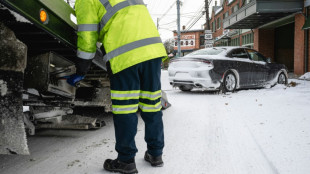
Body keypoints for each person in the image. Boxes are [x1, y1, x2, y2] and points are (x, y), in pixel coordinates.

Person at [67, 0, 167, 173]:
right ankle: (155, 154)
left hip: (125, 55)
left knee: (125, 109)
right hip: (153, 51)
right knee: (152, 105)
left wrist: (82, 68)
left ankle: (126, 160)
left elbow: (87, 35)